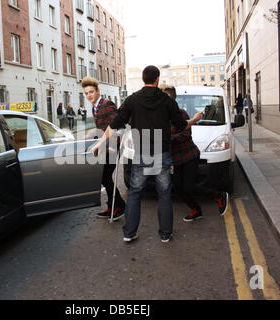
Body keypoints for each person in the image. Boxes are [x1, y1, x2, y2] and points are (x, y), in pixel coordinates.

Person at [91, 66, 203, 243]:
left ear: (143, 79)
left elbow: (115, 123)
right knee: (164, 194)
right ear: (157, 79)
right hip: (162, 152)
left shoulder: (132, 100)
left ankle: (129, 233)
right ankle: (165, 234)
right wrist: (195, 120)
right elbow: (181, 125)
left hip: (141, 152)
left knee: (135, 193)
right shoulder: (167, 101)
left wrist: (100, 142)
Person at [161, 85, 229, 222]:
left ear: (170, 99)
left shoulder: (180, 114)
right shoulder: (160, 116)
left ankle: (219, 195)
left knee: (188, 186)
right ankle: (196, 209)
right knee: (179, 189)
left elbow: (184, 135)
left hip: (189, 156)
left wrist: (165, 139)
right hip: (175, 159)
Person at [81, 76, 126, 221]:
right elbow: (102, 128)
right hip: (105, 147)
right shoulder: (95, 107)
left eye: (91, 92)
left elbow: (117, 126)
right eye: (86, 93)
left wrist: (113, 146)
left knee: (105, 177)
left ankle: (118, 207)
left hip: (112, 148)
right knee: (104, 178)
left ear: (98, 91)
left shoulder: (107, 104)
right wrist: (90, 135)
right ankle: (114, 206)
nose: (89, 95)